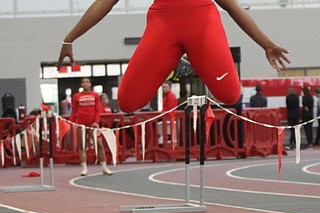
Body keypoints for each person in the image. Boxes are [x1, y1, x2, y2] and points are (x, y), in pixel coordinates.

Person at [57, 0, 290, 114]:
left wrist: (266, 44)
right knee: (128, 102)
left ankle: (192, 60)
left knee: (229, 95)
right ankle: (175, 64)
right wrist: (69, 38)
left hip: (202, 21)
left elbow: (233, 7)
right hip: (164, 22)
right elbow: (105, 2)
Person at [70, 77, 113, 176]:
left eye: (87, 82)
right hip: (81, 123)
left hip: (92, 124)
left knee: (99, 144)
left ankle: (104, 167)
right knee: (82, 145)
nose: (86, 84)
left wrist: (96, 122)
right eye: (84, 82)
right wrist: (72, 123)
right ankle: (84, 168)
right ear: (81, 85)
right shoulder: (77, 96)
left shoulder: (95, 95)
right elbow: (74, 111)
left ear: (90, 84)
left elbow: (97, 110)